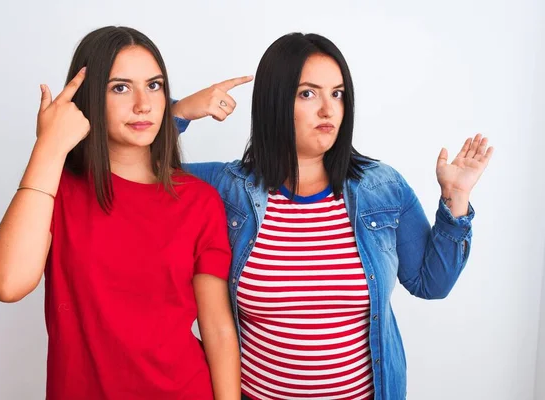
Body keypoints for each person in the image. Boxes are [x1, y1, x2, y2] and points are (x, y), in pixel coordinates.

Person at [172, 32, 494, 400]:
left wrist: (456, 198)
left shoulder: (382, 188)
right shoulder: (227, 188)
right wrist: (179, 112)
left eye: (337, 93)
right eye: (308, 93)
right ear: (274, 102)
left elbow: (430, 284)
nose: (328, 109)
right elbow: (140, 170)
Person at [0, 26, 240, 400]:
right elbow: (5, 284)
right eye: (120, 87)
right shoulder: (57, 192)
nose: (143, 104)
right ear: (88, 98)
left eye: (154, 85)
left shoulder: (198, 200)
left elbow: (216, 328)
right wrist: (48, 146)